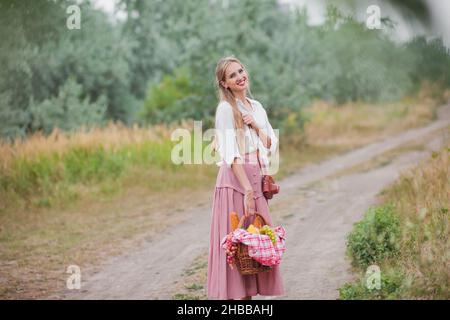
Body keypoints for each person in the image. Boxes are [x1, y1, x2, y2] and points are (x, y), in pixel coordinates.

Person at [206, 55, 284, 300]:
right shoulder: (226, 110)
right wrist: (247, 191)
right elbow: (232, 155)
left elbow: (270, 143)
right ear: (224, 83)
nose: (240, 77)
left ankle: (247, 299)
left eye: (240, 71)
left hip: (256, 177)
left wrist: (256, 126)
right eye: (232, 75)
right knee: (239, 246)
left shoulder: (256, 106)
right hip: (236, 182)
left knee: (254, 243)